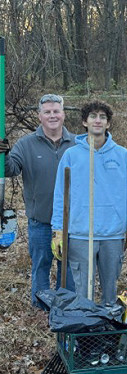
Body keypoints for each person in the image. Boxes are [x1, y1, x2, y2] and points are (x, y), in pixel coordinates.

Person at [51, 100, 127, 306]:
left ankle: (108, 334)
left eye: (102, 117)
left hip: (113, 234)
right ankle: (85, 336)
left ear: (108, 123)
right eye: (93, 116)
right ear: (84, 122)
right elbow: (60, 195)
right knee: (83, 292)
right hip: (81, 234)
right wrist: (58, 231)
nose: (97, 121)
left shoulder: (122, 156)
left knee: (110, 292)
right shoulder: (71, 155)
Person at [0, 94, 76, 309]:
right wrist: (3, 156)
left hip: (71, 222)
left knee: (68, 268)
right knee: (41, 266)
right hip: (40, 221)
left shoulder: (77, 143)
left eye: (56, 111)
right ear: (39, 116)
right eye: (47, 112)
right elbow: (11, 170)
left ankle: (68, 310)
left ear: (63, 114)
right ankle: (41, 310)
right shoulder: (26, 144)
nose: (52, 115)